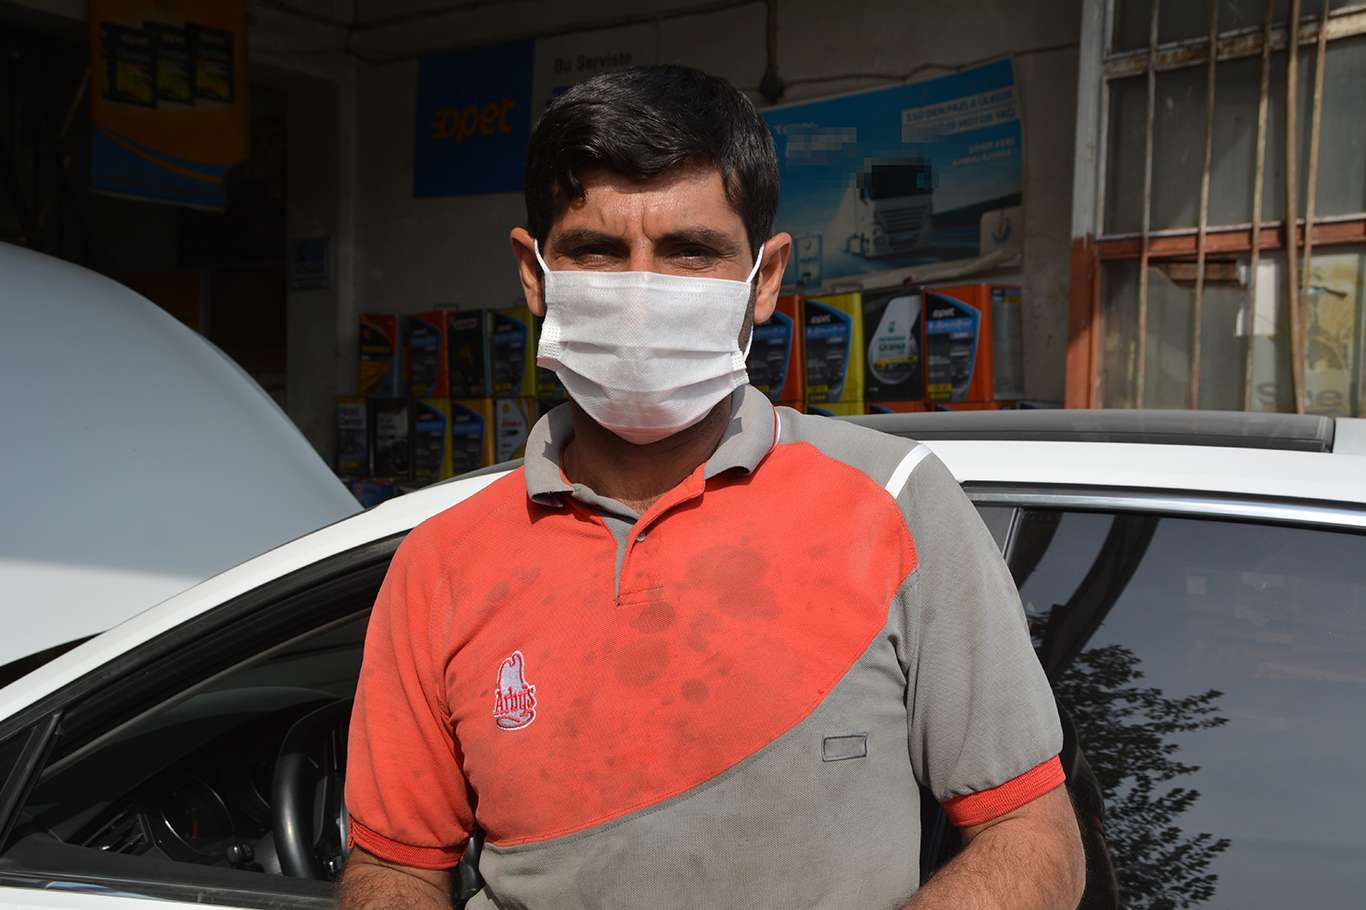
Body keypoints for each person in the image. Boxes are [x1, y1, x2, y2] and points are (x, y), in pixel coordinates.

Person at [338, 64, 1083, 910]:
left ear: (764, 279)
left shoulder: (896, 504)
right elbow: (395, 868)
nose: (640, 295)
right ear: (534, 274)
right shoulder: (440, 564)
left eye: (689, 252)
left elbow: (1031, 836)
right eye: (598, 251)